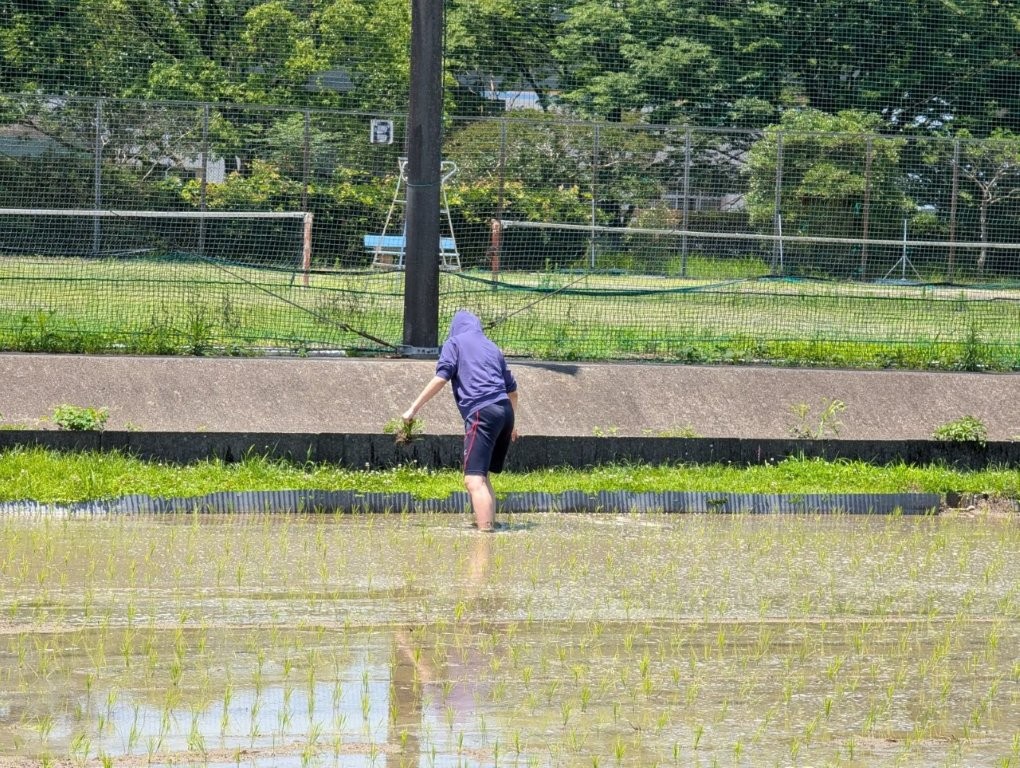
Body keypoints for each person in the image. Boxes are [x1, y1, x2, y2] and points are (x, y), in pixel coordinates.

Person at [402, 310, 518, 531]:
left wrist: (412, 409)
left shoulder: (454, 343)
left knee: (473, 480)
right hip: (505, 412)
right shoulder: (492, 347)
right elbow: (513, 390)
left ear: (455, 328)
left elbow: (441, 377)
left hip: (482, 412)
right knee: (483, 477)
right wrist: (513, 424)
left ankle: (485, 537)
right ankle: (490, 525)